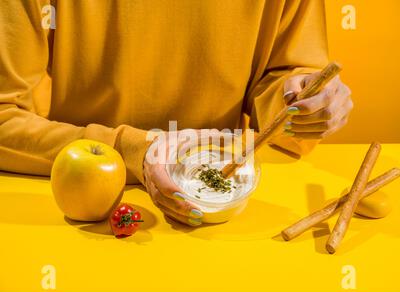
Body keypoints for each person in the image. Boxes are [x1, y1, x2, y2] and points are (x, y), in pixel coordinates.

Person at [0, 0, 352, 226]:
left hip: (223, 205)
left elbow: (280, 81)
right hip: (88, 209)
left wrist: (302, 103)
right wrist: (127, 148)